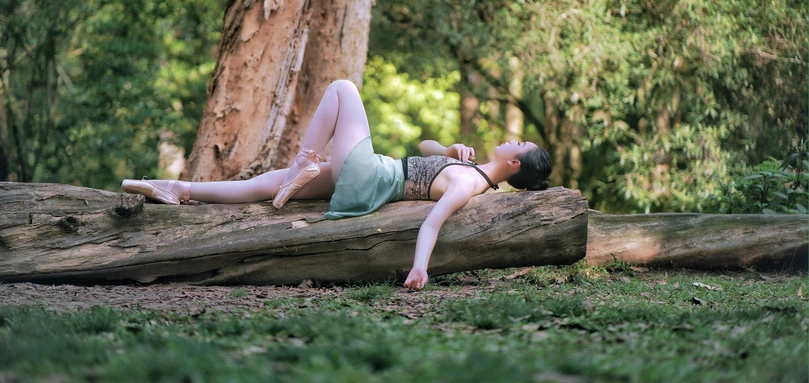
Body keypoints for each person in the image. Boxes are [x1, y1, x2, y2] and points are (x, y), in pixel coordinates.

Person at [122, 80, 552, 290]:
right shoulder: (468, 166)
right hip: (373, 176)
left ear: (514, 162)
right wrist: (449, 146)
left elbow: (433, 223)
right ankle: (178, 189)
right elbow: (423, 146)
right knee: (265, 184)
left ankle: (304, 163)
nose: (511, 138)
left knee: (343, 88)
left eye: (518, 144)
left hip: (374, 177)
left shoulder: (468, 185)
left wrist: (420, 267)